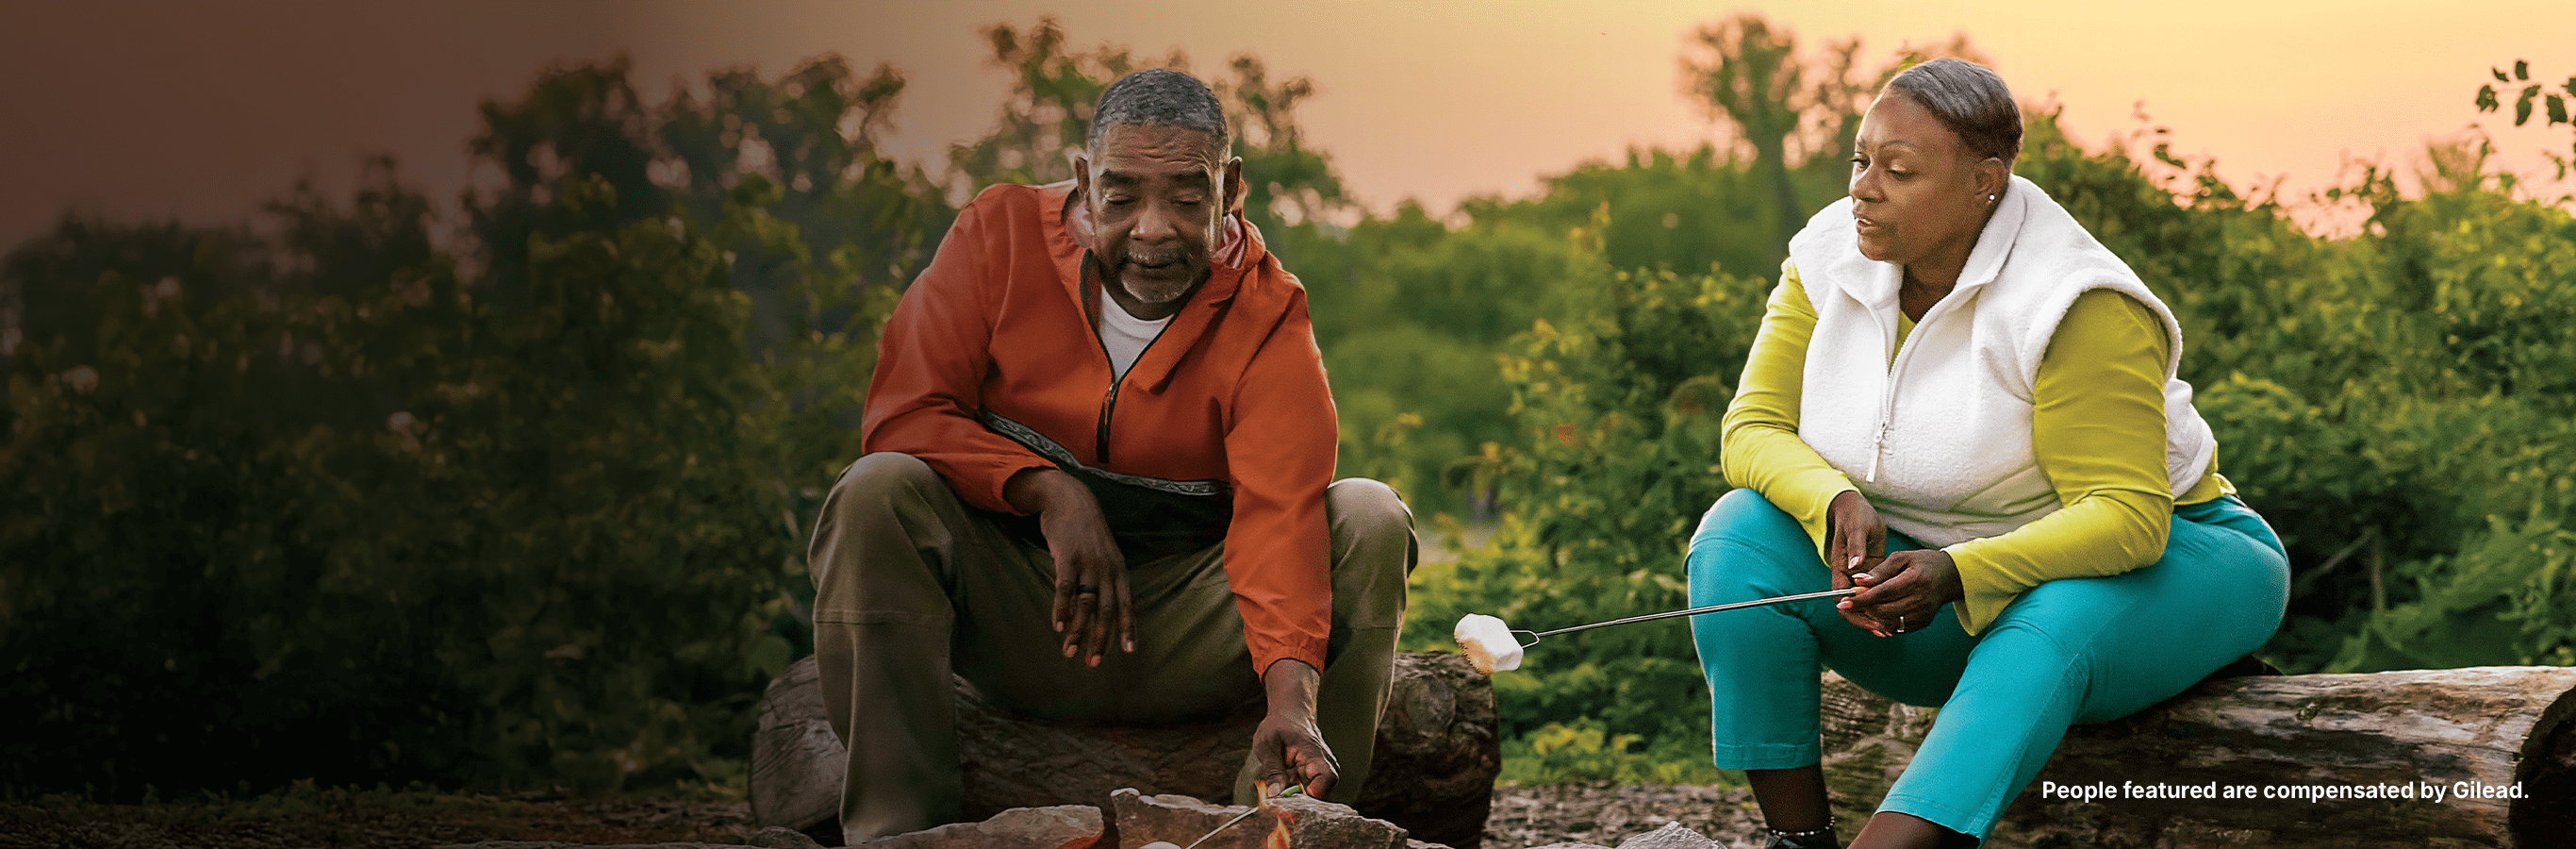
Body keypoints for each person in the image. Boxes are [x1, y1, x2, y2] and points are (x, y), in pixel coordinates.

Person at [1686, 58, 2288, 849]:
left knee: (2054, 618)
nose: (1864, 187)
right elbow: (1753, 427)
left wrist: (1962, 572)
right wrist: (1832, 499)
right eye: (1860, 160)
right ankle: (1799, 840)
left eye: (1898, 171)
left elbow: (2128, 519)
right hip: (1936, 586)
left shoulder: (2075, 302)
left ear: (1986, 184)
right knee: (1737, 538)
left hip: (2174, 559)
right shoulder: (1830, 254)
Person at [805, 68, 1415, 842]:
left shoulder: (1269, 315)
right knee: (875, 491)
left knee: (1369, 513)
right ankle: (896, 834)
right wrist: (1049, 492)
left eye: (1186, 198)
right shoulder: (996, 237)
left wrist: (1292, 700)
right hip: (1021, 623)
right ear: (1085, 180)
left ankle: (1270, 829)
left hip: (1190, 643)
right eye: (1122, 197)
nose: (1152, 230)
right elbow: (905, 414)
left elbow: (1279, 521)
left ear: (1231, 189)